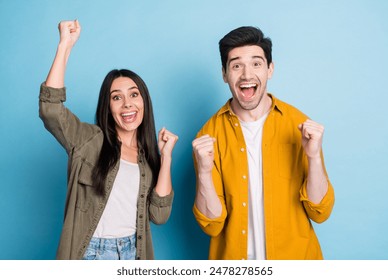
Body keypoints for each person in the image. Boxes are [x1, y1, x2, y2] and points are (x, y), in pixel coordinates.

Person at [39, 20, 178, 260]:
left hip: (133, 252)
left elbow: (159, 215)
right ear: (108, 106)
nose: (127, 104)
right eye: (117, 97)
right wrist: (65, 46)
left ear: (144, 101)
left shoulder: (147, 158)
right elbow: (50, 109)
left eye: (134, 95)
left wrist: (165, 158)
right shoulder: (88, 140)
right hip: (90, 253)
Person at [192, 26, 335, 260]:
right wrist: (205, 173)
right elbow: (212, 225)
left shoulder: (298, 124)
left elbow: (320, 212)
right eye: (236, 65)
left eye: (256, 64)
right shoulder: (208, 136)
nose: (247, 75)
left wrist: (314, 157)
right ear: (224, 74)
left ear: (270, 69)